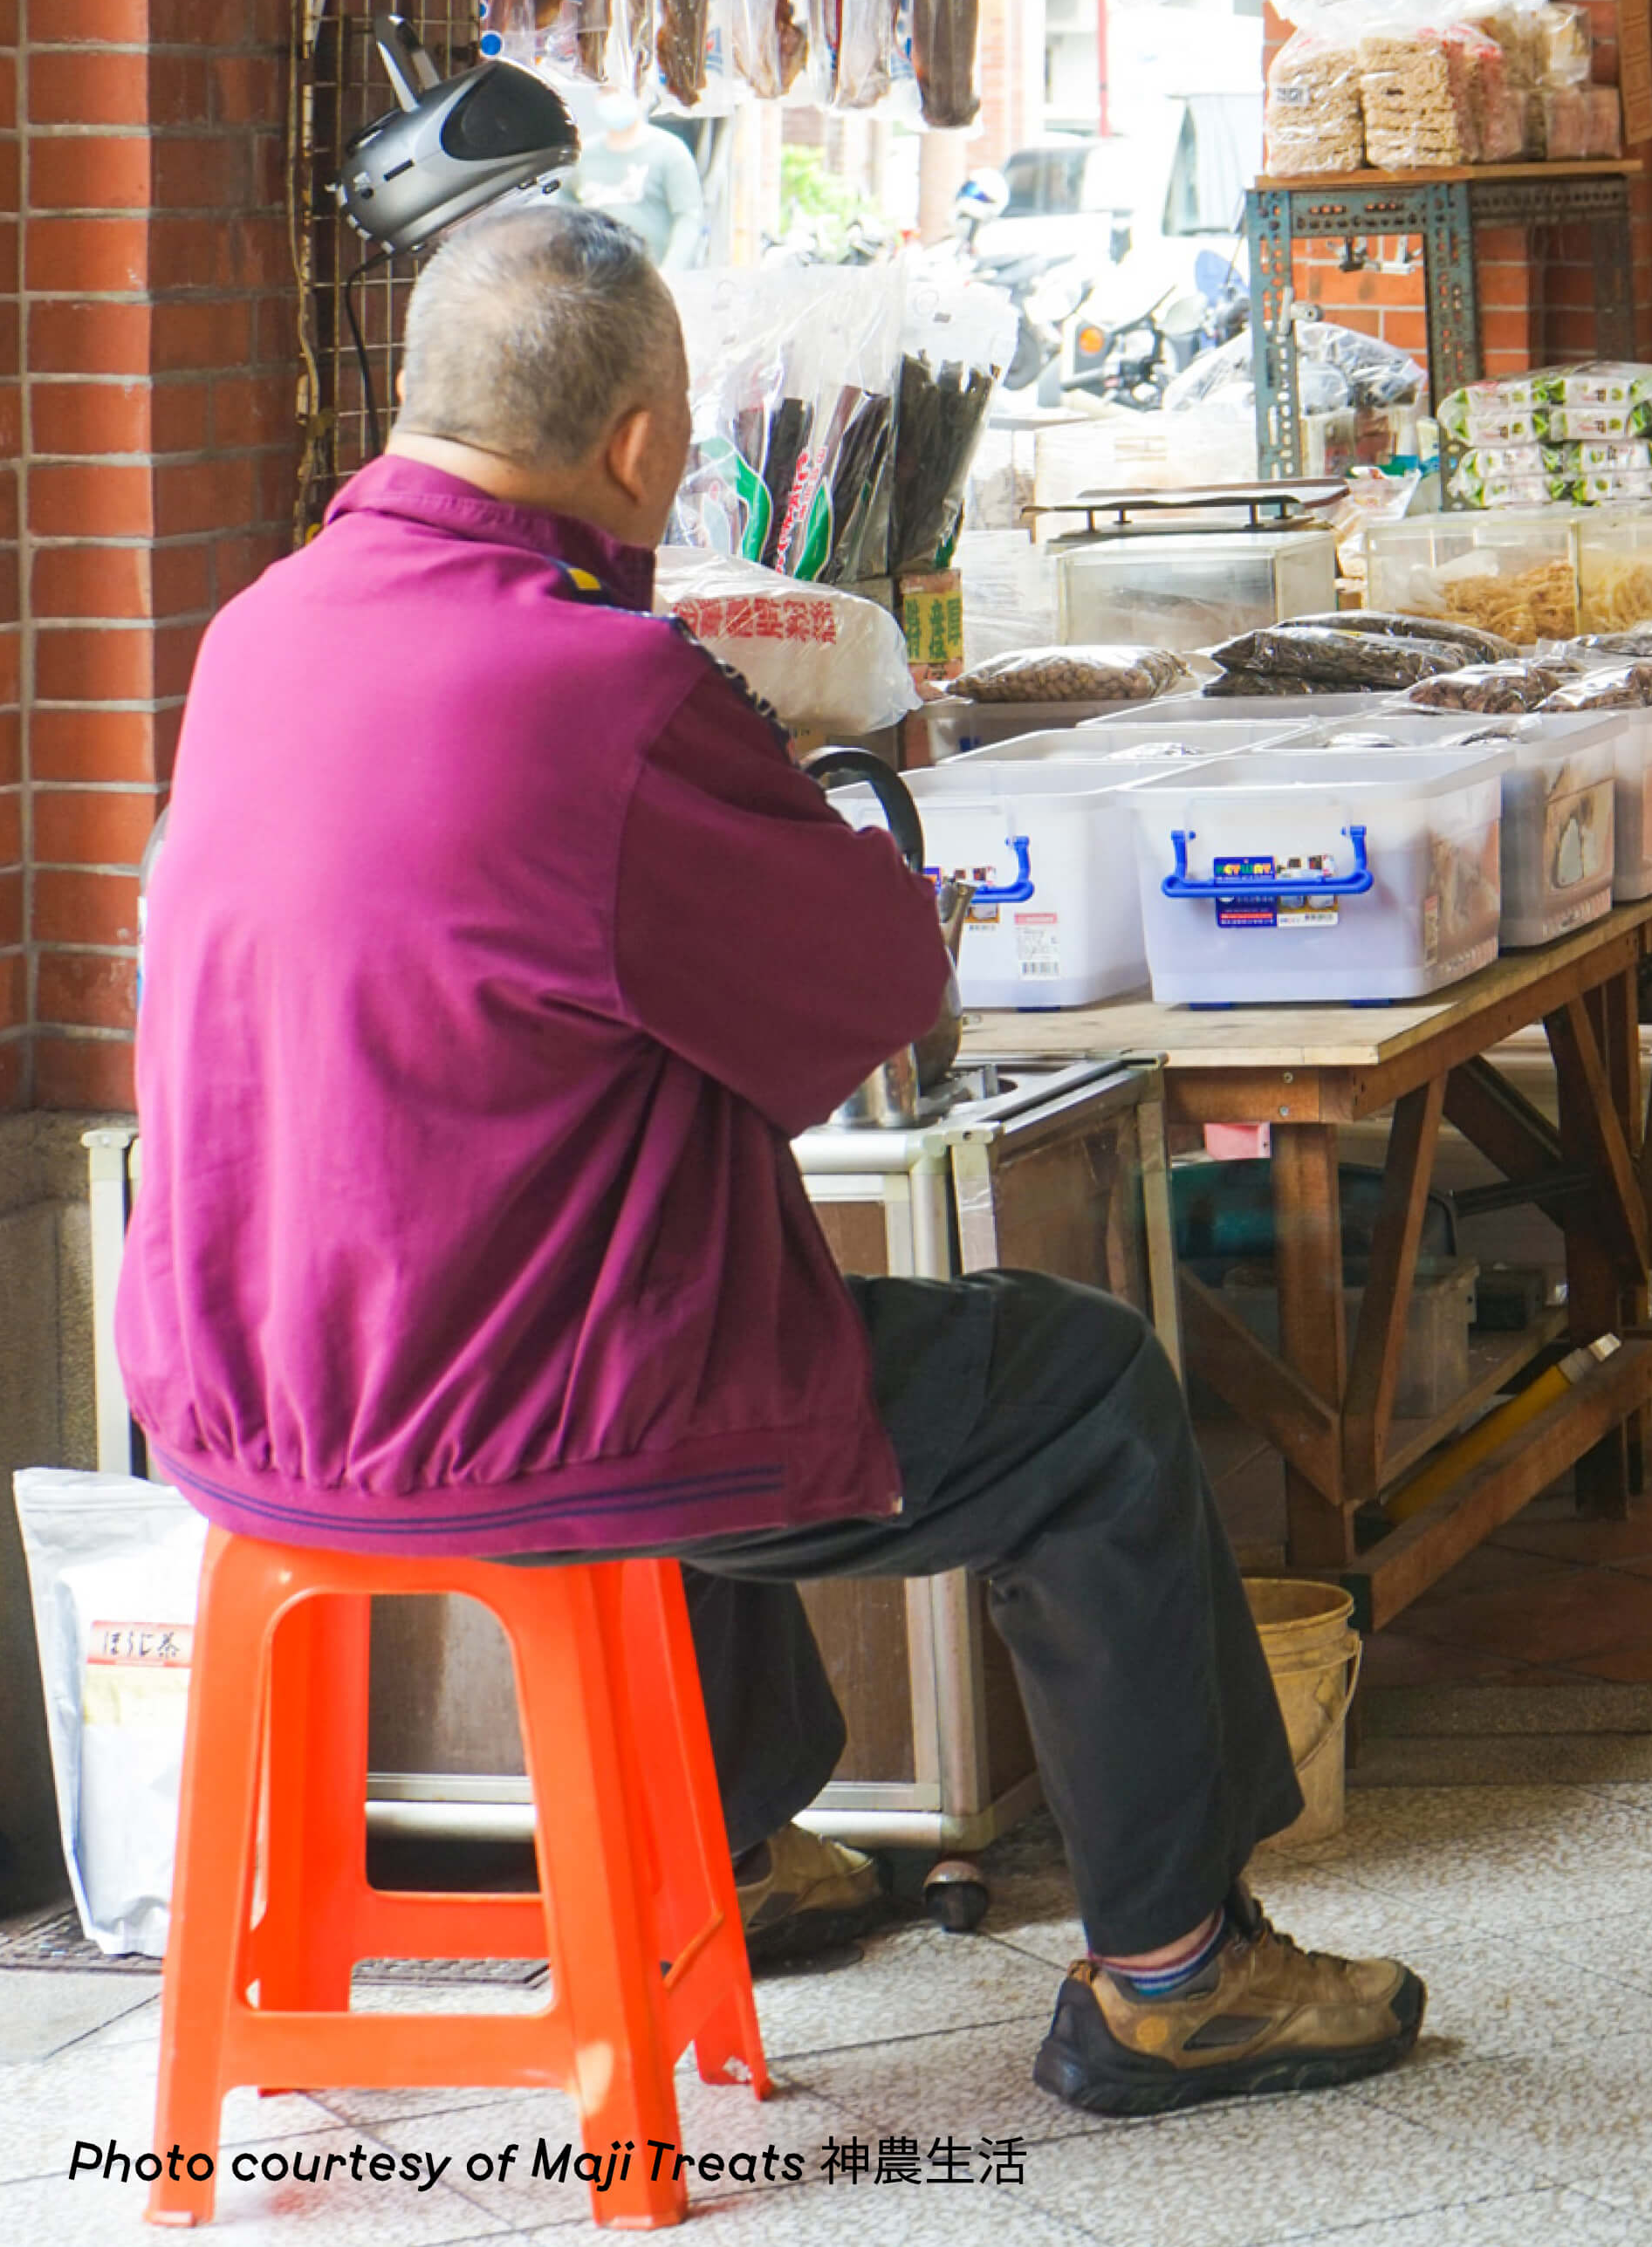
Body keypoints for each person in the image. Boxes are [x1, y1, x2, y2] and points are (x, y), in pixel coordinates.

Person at [115, 204, 1425, 2119]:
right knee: (1084, 1387)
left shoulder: (252, 638)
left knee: (692, 1263)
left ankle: (720, 1843)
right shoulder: (601, 691)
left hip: (243, 1394)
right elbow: (869, 982)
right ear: (646, 447)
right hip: (521, 1410)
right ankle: (1174, 1972)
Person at [564, 90, 703, 271]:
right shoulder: (582, 156)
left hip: (653, 275)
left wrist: (671, 272)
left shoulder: (670, 152)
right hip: (596, 279)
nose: (613, 98)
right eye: (606, 90)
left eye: (620, 89)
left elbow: (688, 218)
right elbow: (565, 216)